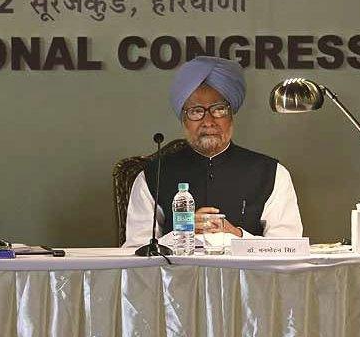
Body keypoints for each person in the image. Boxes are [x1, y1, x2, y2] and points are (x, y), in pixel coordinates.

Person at [123, 56, 302, 248]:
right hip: (175, 277)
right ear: (183, 119)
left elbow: (289, 247)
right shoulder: (152, 176)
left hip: (248, 277)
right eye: (196, 111)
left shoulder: (271, 173)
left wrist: (237, 236)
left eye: (218, 109)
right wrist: (180, 235)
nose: (208, 121)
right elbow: (136, 250)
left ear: (231, 114)